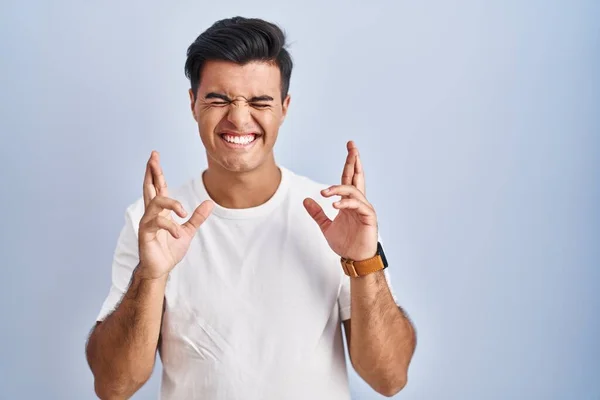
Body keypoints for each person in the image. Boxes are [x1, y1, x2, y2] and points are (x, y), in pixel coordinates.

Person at [85, 16, 416, 400]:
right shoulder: (154, 225)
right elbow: (113, 385)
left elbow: (389, 378)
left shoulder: (338, 218)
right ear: (193, 103)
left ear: (284, 107)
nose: (239, 118)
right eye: (218, 99)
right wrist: (151, 274)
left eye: (259, 101)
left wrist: (363, 262)